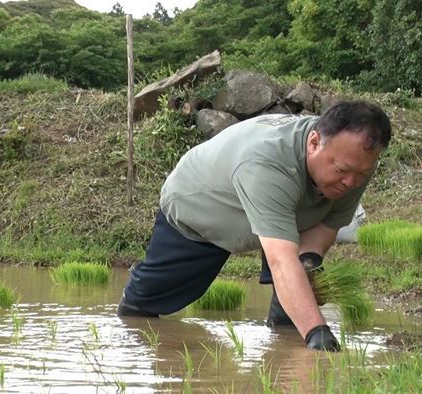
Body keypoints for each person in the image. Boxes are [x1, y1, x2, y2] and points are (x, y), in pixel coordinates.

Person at [117, 100, 392, 351]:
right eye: (342, 171)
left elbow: (327, 223)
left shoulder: (355, 161)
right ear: (313, 143)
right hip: (200, 205)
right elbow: (281, 261)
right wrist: (318, 333)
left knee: (299, 287)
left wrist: (308, 261)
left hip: (282, 205)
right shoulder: (268, 164)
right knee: (144, 305)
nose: (351, 182)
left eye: (362, 173)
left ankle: (285, 343)